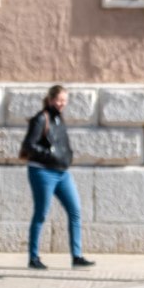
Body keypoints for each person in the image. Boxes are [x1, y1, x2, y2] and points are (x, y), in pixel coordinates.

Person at [22, 85, 94, 270]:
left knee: (75, 211)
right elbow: (29, 145)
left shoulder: (59, 119)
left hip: (62, 173)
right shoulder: (40, 119)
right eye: (59, 100)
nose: (62, 104)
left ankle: (76, 256)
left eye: (65, 101)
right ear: (50, 99)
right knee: (41, 213)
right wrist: (50, 155)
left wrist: (67, 156)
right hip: (42, 172)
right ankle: (33, 257)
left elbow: (62, 144)